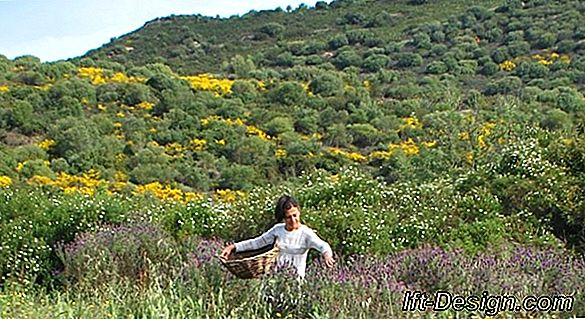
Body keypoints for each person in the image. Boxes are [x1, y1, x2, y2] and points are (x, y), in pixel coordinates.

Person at [220, 195, 335, 277]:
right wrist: (233, 247)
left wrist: (327, 255)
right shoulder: (278, 230)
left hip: (296, 281)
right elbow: (257, 242)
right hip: (275, 278)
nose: (293, 220)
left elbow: (322, 245)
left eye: (295, 215)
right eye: (289, 217)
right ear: (283, 218)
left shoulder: (306, 233)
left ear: (299, 212)